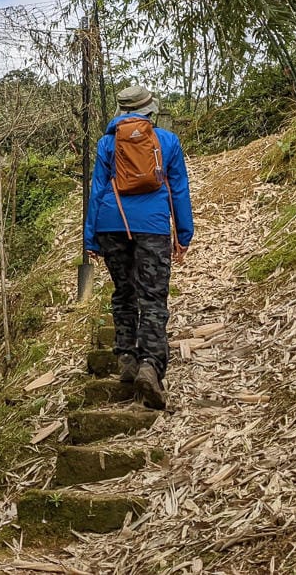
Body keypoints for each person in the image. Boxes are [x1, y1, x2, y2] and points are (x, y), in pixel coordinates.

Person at [84, 85, 194, 410]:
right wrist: (183, 235)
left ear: (121, 111)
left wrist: (91, 239)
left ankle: (127, 358)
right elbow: (179, 190)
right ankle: (150, 365)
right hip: (153, 226)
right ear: (150, 110)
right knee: (153, 296)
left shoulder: (107, 143)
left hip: (110, 223)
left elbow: (97, 191)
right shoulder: (167, 141)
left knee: (123, 292)